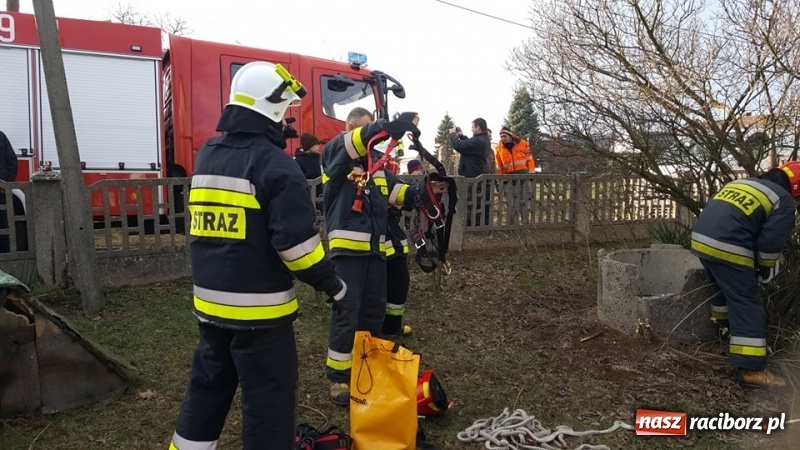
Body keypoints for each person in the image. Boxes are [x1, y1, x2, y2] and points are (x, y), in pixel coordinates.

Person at [169, 61, 346, 450]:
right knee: (268, 401)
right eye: (285, 112)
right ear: (273, 109)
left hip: (210, 308)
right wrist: (333, 285)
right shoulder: (276, 165)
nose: (288, 123)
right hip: (261, 318)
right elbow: (297, 249)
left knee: (207, 389)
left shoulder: (209, 154)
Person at [321, 109, 446, 406]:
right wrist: (382, 127)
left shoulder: (377, 169)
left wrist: (427, 191)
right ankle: (339, 378)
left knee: (373, 312)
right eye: (367, 132)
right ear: (351, 128)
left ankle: (368, 366)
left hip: (377, 254)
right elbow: (354, 143)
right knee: (347, 312)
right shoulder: (336, 157)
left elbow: (399, 194)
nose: (374, 139)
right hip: (348, 255)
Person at [690, 161, 800, 389]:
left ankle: (722, 334)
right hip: (730, 246)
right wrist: (765, 268)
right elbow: (770, 244)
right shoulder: (784, 200)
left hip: (701, 240)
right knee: (747, 302)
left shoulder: (743, 182)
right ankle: (752, 370)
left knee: (723, 293)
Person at [381, 111, 422, 337]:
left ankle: (393, 327)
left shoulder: (384, 169)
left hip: (393, 236)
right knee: (381, 287)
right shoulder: (357, 167)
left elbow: (400, 194)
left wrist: (422, 192)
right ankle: (378, 328)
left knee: (399, 282)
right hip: (375, 239)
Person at [448, 118, 492, 225]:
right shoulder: (481, 140)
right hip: (473, 175)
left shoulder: (479, 141)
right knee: (473, 202)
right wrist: (461, 136)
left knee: (472, 203)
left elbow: (460, 146)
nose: (471, 130)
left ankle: (472, 225)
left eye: (473, 127)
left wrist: (453, 135)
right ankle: (472, 224)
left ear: (478, 127)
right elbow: (468, 144)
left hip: (472, 177)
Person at [494, 125, 535, 224]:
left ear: (510, 135)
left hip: (523, 178)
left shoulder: (523, 143)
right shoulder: (499, 148)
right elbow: (499, 165)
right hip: (508, 179)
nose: (503, 138)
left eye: (504, 136)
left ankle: (525, 223)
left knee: (523, 202)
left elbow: (530, 159)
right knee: (510, 203)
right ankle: (512, 225)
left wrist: (531, 172)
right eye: (501, 137)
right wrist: (500, 180)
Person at [0, 130, 18, 253]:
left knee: (3, 229)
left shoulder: (0, 136)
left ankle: (5, 265)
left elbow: (12, 161)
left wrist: (4, 183)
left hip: (0, 191)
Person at [295, 132, 323, 204]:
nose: (318, 146)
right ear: (309, 145)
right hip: (307, 198)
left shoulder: (319, 158)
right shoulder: (298, 161)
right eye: (316, 144)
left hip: (321, 197)